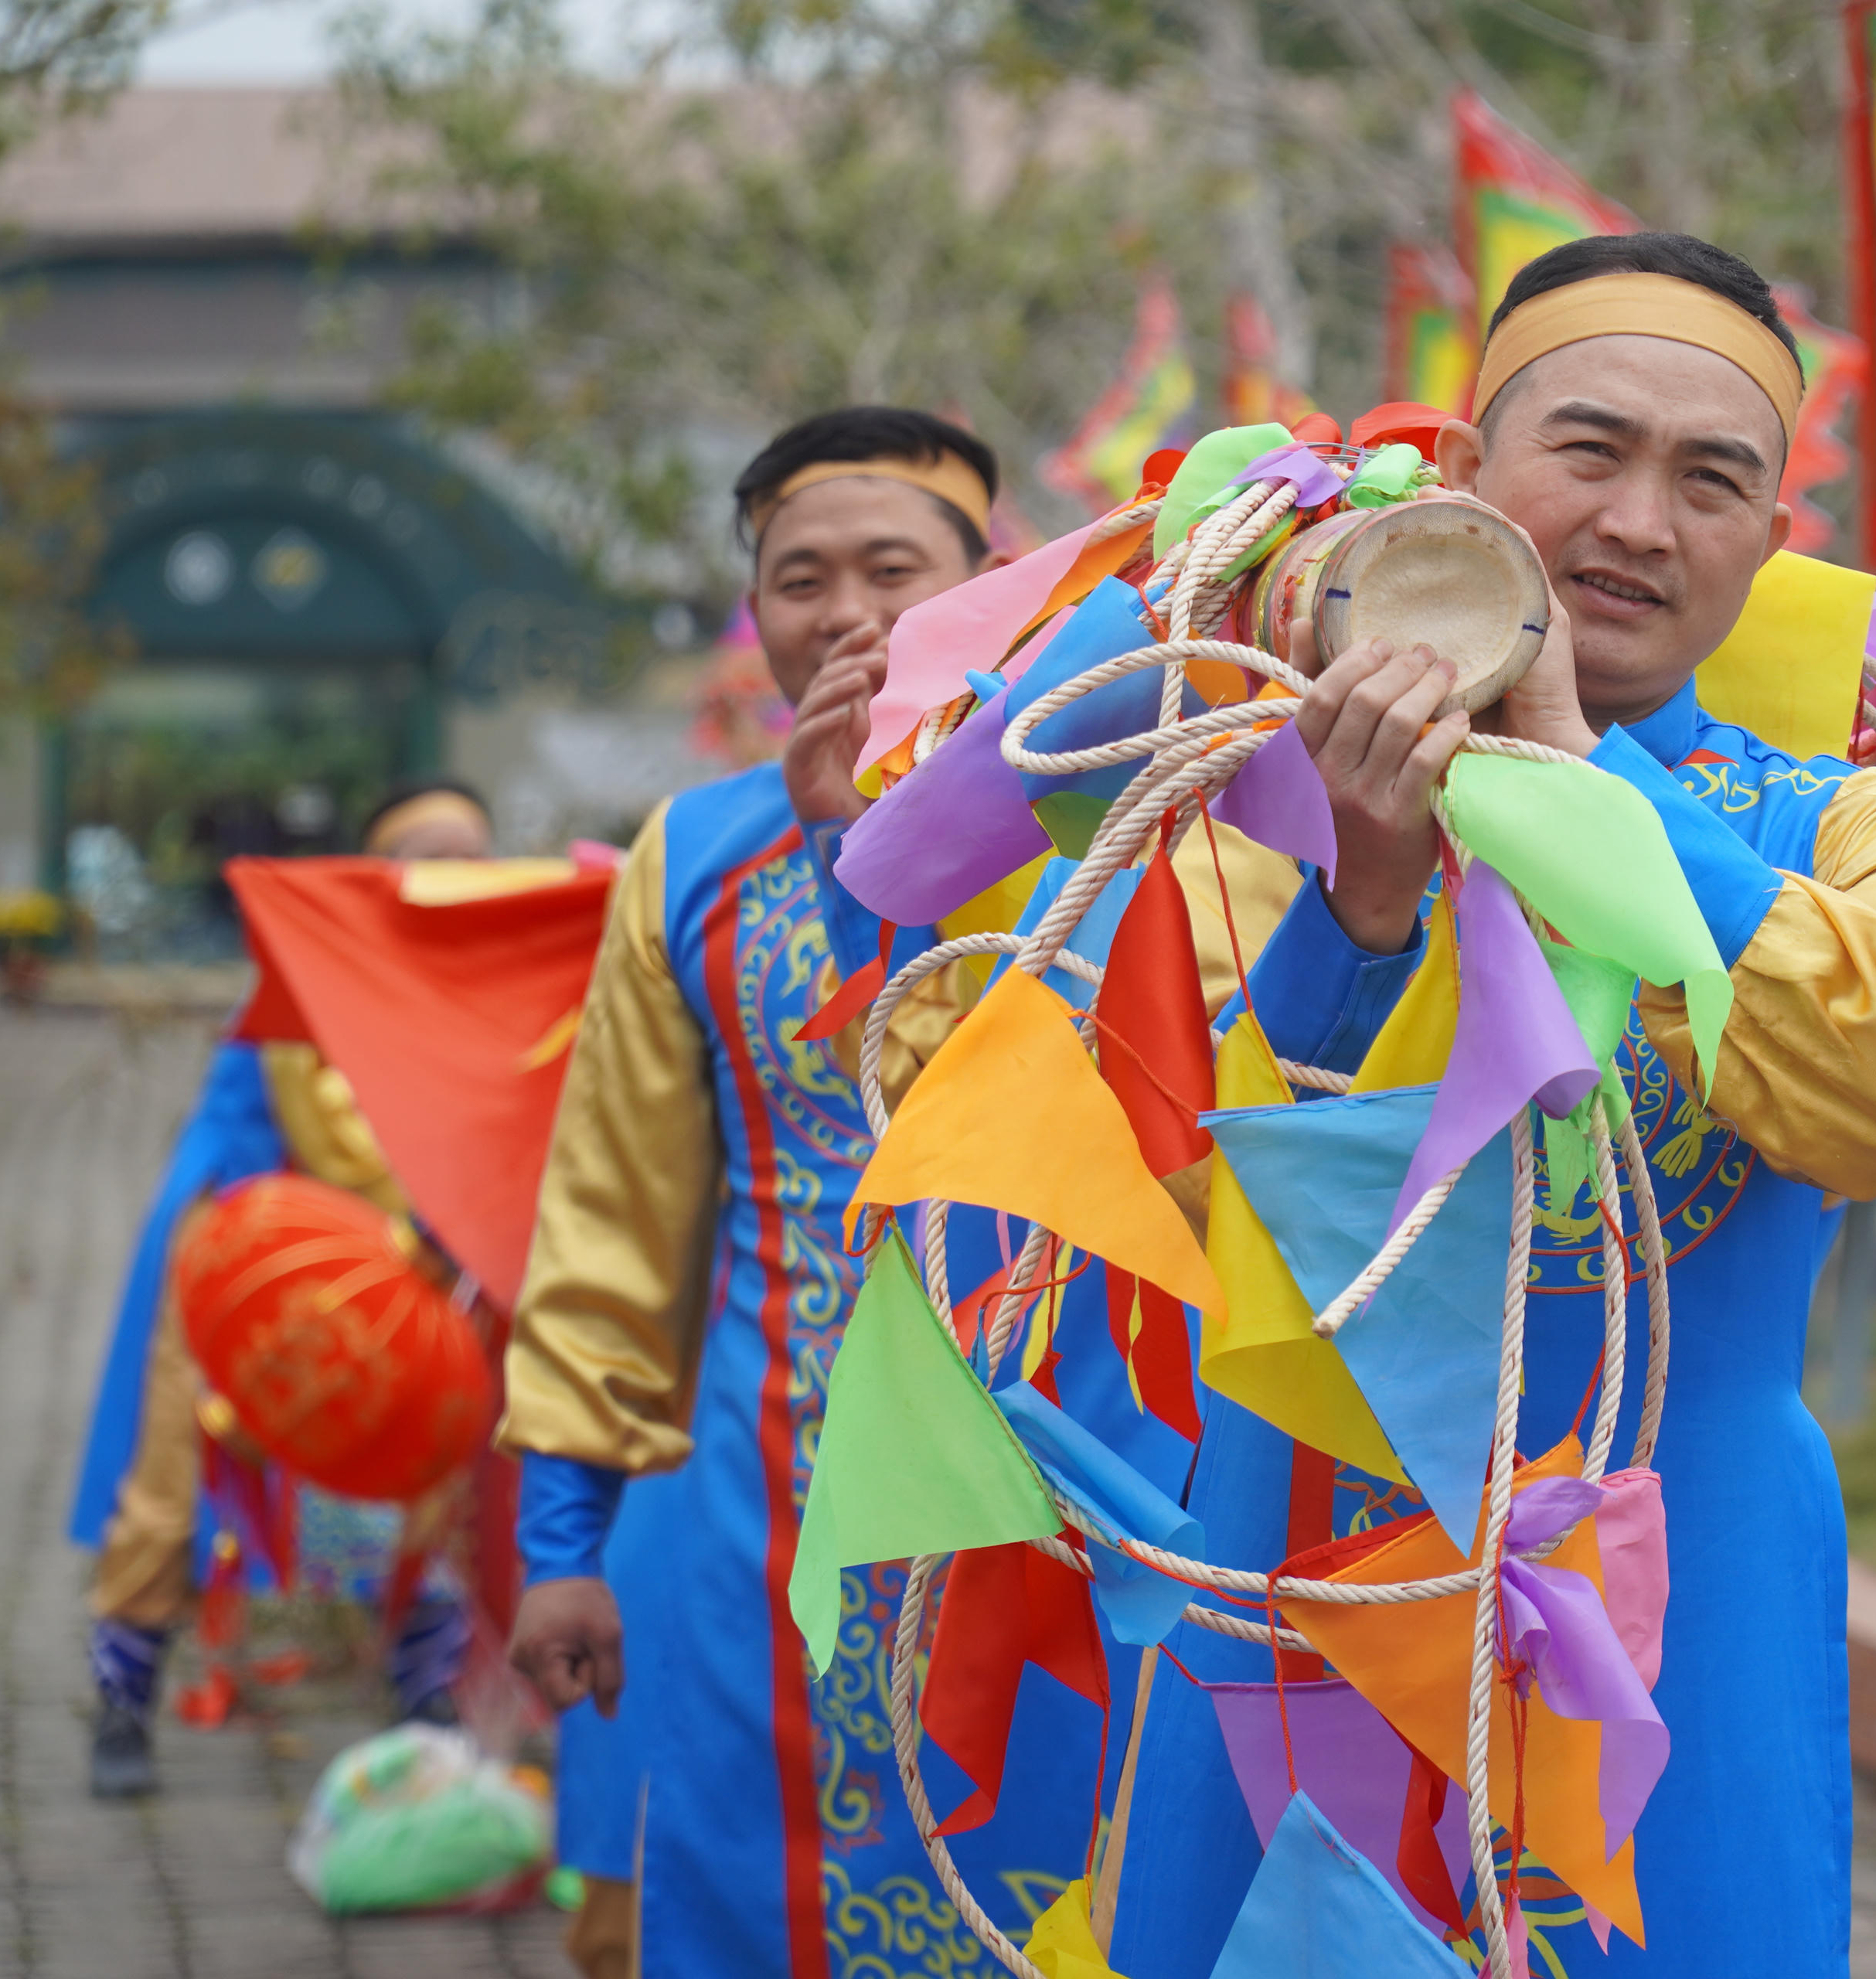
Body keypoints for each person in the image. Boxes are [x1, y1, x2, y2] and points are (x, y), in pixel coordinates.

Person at [1104, 231, 1876, 1978]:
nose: (1643, 522)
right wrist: (1361, 912)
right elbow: (1151, 1213)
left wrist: (1597, 794)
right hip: (1319, 1532)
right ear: (1462, 474)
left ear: (1769, 540)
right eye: (1589, 450)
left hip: (1690, 1553)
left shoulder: (1842, 827)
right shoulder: (1223, 775)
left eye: (1712, 479)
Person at [498, 406, 1298, 1979]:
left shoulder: (1130, 812)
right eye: (801, 575)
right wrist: (562, 1534)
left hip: (1104, 1494)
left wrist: (896, 850)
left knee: (1088, 1901)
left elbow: (1217, 1130)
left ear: (991, 588)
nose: (846, 609)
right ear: (759, 611)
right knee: (761, 1904)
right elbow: (612, 1223)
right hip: (765, 1513)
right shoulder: (698, 857)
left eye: (894, 569)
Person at [70, 781, 500, 1800]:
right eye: (431, 854)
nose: (458, 876)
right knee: (175, 1484)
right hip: (242, 1249)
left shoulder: (480, 973)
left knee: (414, 1465)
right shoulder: (322, 955)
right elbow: (337, 1135)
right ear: (380, 871)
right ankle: (121, 1704)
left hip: (386, 1258)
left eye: (475, 857)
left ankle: (427, 1696)